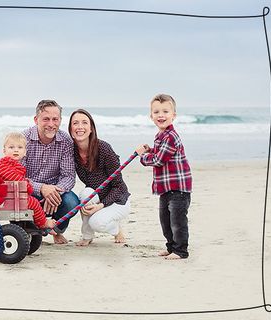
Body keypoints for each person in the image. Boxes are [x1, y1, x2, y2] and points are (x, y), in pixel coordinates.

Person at [135, 94, 192, 260]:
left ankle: (181, 251)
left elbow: (159, 160)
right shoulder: (161, 135)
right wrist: (150, 150)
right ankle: (171, 247)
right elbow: (159, 153)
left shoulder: (170, 136)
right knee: (165, 221)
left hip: (178, 188)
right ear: (151, 116)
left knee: (177, 221)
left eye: (166, 111)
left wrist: (142, 157)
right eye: (157, 112)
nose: (161, 115)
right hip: (166, 188)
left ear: (173, 115)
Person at [68, 109, 131, 246]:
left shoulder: (104, 149)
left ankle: (116, 229)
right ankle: (87, 236)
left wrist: (101, 206)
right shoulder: (71, 151)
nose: (80, 127)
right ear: (71, 129)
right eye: (75, 123)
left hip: (117, 200)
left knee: (97, 223)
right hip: (96, 197)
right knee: (85, 193)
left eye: (84, 123)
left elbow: (119, 187)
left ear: (91, 129)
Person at [23, 100, 80, 244]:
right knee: (19, 203)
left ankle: (56, 230)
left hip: (55, 194)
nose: (51, 124)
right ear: (36, 120)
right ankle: (33, 231)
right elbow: (17, 178)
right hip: (28, 191)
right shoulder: (24, 139)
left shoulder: (66, 141)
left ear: (60, 120)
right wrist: (42, 188)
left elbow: (68, 177)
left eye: (55, 119)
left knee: (72, 202)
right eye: (46, 119)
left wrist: (53, 192)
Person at [0, 132, 56, 233]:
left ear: (25, 152)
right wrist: (27, 186)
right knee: (34, 203)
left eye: (19, 147)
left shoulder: (15, 165)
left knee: (33, 202)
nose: (15, 150)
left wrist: (25, 183)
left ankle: (34, 226)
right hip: (5, 198)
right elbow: (16, 179)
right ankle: (43, 223)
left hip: (11, 195)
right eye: (11, 147)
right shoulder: (4, 163)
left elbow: (18, 179)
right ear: (4, 150)